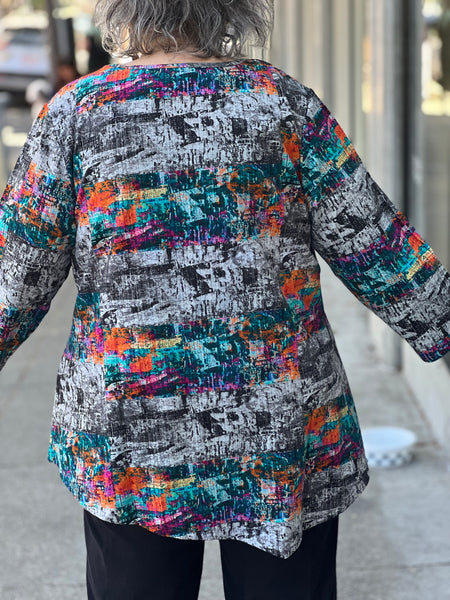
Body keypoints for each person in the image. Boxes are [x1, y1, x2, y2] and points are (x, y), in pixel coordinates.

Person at [0, 1, 449, 598]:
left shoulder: (77, 114)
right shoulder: (280, 102)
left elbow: (17, 274)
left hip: (132, 434)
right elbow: (374, 244)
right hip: (276, 428)